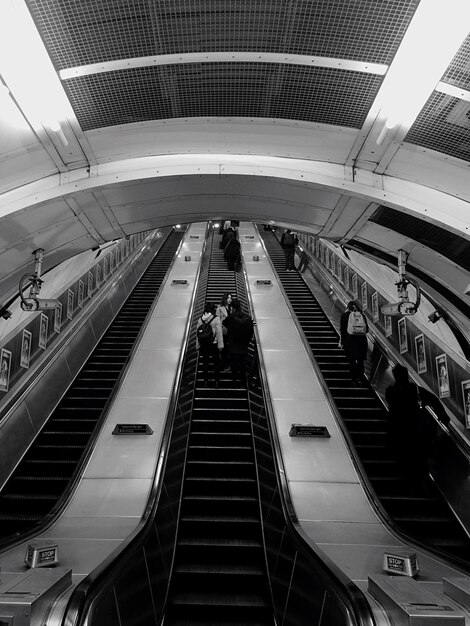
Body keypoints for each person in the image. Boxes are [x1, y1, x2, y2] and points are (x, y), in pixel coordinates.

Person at [385, 364, 450, 481]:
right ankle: (419, 482)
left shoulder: (391, 392)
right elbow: (434, 400)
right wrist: (443, 417)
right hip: (416, 432)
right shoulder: (416, 390)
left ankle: (406, 479)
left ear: (395, 376)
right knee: (418, 459)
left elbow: (392, 412)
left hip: (399, 432)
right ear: (407, 375)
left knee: (402, 457)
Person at [223, 298, 254, 387]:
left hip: (233, 343)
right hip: (244, 344)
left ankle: (234, 381)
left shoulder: (231, 317)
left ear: (232, 307)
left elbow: (225, 325)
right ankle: (244, 382)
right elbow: (251, 330)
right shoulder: (247, 317)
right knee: (242, 362)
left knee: (233, 362)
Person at [339, 300, 368, 385]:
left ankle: (354, 379)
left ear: (348, 307)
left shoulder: (345, 316)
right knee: (360, 361)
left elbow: (343, 331)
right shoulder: (361, 315)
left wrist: (343, 343)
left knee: (352, 361)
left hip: (350, 342)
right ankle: (361, 378)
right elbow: (367, 330)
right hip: (362, 342)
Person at [196, 302, 224, 387]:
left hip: (204, 345)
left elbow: (198, 333)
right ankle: (216, 381)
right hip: (213, 344)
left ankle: (205, 381)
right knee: (216, 363)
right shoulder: (216, 319)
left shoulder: (201, 319)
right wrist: (220, 345)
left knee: (205, 363)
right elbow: (219, 333)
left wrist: (197, 345)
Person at [216, 293, 233, 369]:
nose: (230, 299)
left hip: (231, 331)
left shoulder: (232, 308)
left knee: (230, 348)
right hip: (223, 331)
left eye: (231, 298)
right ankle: (224, 364)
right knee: (224, 348)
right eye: (228, 298)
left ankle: (229, 364)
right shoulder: (219, 308)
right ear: (225, 299)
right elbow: (217, 320)